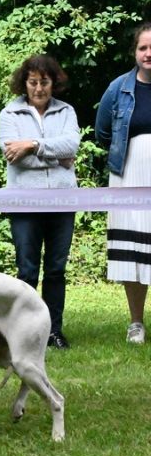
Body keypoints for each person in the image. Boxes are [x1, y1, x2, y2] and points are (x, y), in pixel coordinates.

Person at [0, 55, 80, 349]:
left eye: (44, 82)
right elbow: (13, 158)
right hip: (24, 204)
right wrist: (57, 158)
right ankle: (24, 332)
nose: (39, 88)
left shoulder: (67, 111)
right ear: (25, 83)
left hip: (62, 202)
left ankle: (53, 331)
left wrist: (31, 145)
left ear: (53, 83)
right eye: (33, 82)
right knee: (27, 270)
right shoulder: (10, 113)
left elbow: (72, 145)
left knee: (56, 269)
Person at [95, 22, 151, 345]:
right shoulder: (119, 88)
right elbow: (104, 130)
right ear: (135, 52)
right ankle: (136, 323)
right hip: (128, 175)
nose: (148, 53)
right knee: (133, 252)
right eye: (142, 48)